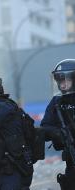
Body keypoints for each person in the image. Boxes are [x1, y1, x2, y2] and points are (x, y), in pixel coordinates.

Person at [41, 59, 75, 190]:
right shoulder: (57, 102)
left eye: (66, 79)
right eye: (60, 80)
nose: (63, 84)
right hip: (71, 160)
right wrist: (58, 133)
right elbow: (45, 126)